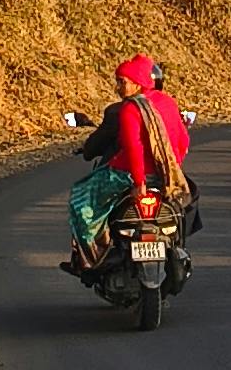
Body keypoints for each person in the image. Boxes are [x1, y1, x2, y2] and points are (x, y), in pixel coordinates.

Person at [64, 54, 196, 274]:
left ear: (138, 82)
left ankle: (94, 255)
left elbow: (134, 148)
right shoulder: (168, 103)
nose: (118, 87)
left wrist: (139, 182)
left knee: (81, 199)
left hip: (127, 174)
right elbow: (183, 140)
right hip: (163, 176)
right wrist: (170, 170)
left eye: (122, 82)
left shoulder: (129, 108)